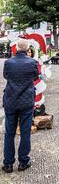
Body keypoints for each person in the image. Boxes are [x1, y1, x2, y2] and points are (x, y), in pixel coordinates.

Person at [2, 39, 38, 173]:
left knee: (9, 133)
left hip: (11, 100)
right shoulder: (33, 63)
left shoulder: (8, 62)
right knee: (25, 132)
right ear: (28, 48)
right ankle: (23, 161)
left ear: (16, 48)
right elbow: (35, 77)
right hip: (26, 101)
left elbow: (6, 76)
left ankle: (8, 163)